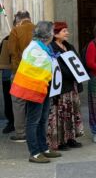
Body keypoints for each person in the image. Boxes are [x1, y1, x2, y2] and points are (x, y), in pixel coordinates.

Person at [10, 21, 62, 163]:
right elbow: (34, 70)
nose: (53, 34)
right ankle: (34, 152)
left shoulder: (43, 47)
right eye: (52, 31)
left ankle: (43, 148)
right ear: (47, 35)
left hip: (43, 87)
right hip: (34, 89)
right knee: (33, 121)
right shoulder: (35, 48)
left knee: (42, 119)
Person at [47, 22, 84, 150]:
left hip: (72, 85)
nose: (67, 33)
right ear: (56, 34)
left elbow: (77, 62)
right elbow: (58, 68)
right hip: (61, 86)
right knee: (61, 112)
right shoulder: (51, 48)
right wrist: (73, 74)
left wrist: (78, 75)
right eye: (64, 31)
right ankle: (60, 141)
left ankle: (71, 138)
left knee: (71, 111)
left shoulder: (69, 46)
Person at [8, 10, 35, 142]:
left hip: (21, 71)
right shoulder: (38, 28)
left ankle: (21, 133)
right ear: (29, 18)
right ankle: (36, 130)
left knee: (19, 102)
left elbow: (12, 52)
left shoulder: (16, 31)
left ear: (18, 20)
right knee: (36, 101)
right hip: (38, 71)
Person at [1, 24, 14, 134]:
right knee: (8, 99)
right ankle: (11, 121)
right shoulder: (6, 39)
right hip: (8, 74)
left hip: (20, 73)